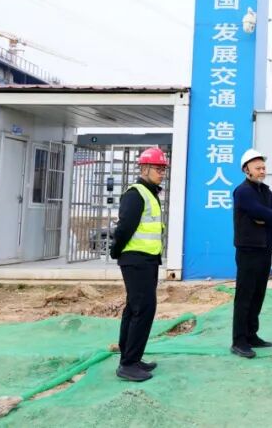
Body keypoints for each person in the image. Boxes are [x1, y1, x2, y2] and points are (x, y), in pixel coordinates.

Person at [109, 147, 168, 382]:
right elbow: (124, 228)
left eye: (163, 169)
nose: (162, 173)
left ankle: (131, 356)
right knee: (143, 309)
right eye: (158, 168)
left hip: (147, 259)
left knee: (134, 308)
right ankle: (128, 364)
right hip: (136, 260)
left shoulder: (150, 193)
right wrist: (116, 251)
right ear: (144, 169)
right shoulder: (136, 194)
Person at [230, 149, 272, 359]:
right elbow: (257, 211)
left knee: (258, 293)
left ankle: (251, 335)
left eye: (263, 167)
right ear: (246, 170)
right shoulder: (243, 191)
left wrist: (265, 218)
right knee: (245, 295)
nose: (262, 171)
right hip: (248, 249)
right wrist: (266, 216)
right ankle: (239, 340)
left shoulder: (266, 191)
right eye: (258, 168)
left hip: (265, 247)